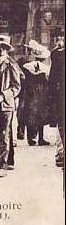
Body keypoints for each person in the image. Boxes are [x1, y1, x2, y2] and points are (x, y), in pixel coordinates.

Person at [0, 35, 21, 178]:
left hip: (6, 105)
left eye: (3, 47)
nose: (0, 50)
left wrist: (3, 96)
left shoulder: (11, 65)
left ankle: (3, 164)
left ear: (7, 50)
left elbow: (16, 87)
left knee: (4, 134)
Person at [22, 40, 51, 146]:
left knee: (32, 114)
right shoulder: (45, 68)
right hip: (40, 92)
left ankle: (31, 138)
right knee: (40, 114)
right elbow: (47, 80)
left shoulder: (27, 66)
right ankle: (40, 138)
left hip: (31, 92)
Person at [48, 27, 65, 169]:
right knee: (61, 124)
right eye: (56, 37)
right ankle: (61, 153)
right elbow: (53, 76)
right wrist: (51, 95)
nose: (59, 40)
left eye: (61, 37)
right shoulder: (54, 54)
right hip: (59, 95)